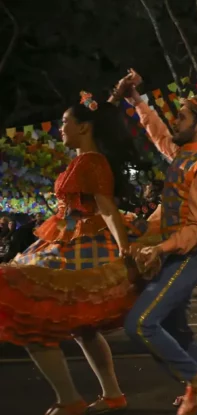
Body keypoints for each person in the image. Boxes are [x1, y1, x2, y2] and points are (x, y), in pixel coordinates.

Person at [0, 89, 157, 415]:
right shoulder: (86, 159)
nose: (60, 128)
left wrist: (125, 250)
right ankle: (112, 394)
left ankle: (69, 399)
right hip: (65, 238)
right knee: (83, 328)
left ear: (84, 127)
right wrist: (115, 97)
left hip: (77, 243)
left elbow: (108, 208)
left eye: (65, 122)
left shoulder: (92, 162)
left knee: (34, 317)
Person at [118, 70, 197, 415]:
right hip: (179, 249)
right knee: (174, 325)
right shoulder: (186, 156)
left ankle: (195, 380)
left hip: (195, 252)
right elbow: (159, 135)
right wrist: (136, 100)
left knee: (140, 323)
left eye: (181, 116)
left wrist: (160, 248)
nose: (174, 121)